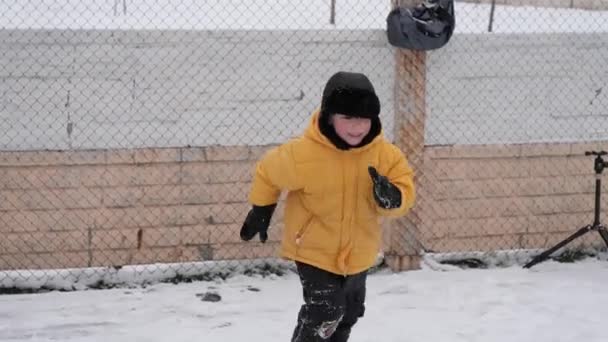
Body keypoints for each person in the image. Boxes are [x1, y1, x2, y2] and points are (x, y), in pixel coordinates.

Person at [240, 71, 416, 342]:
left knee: (350, 313)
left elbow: (405, 188)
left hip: (359, 252)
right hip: (314, 249)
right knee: (326, 311)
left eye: (364, 119)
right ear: (329, 116)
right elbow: (267, 171)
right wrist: (262, 208)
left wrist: (393, 197)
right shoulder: (303, 154)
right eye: (347, 118)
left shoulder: (385, 155)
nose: (357, 127)